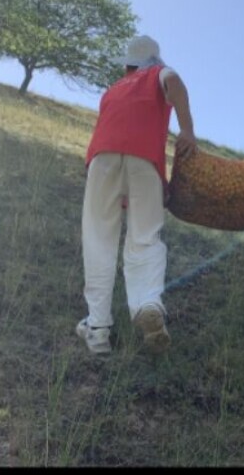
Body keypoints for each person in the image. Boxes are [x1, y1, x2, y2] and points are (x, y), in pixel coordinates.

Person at [77, 35, 197, 355]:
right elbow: (174, 81)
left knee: (98, 239)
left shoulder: (114, 89)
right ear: (154, 59)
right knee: (145, 237)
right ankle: (147, 303)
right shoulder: (159, 73)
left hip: (103, 158)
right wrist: (187, 130)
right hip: (145, 161)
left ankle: (98, 328)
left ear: (128, 64)